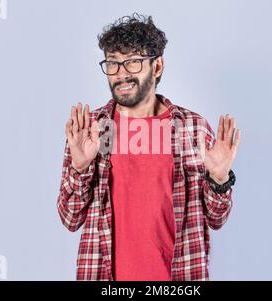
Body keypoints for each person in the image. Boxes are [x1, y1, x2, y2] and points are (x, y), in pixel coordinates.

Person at [57, 13, 241, 281]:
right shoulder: (92, 130)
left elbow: (216, 219)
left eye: (132, 63)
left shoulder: (192, 129)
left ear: (156, 67)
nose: (121, 75)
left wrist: (219, 178)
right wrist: (80, 167)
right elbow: (70, 219)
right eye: (113, 64)